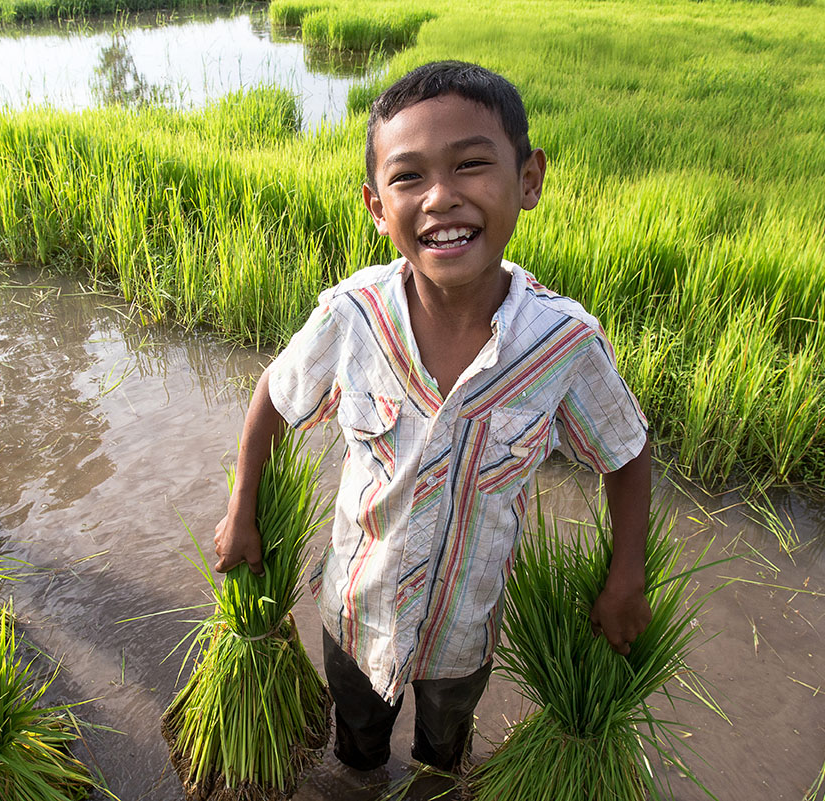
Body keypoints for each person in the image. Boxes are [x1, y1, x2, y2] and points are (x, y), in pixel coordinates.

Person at [213, 60, 652, 774]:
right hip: (356, 615)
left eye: (472, 165)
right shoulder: (353, 316)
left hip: (464, 630)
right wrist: (242, 509)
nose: (441, 198)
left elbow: (626, 450)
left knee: (444, 752)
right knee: (357, 745)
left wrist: (625, 575)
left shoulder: (562, 343)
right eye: (409, 177)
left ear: (529, 179)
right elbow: (274, 394)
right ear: (377, 207)